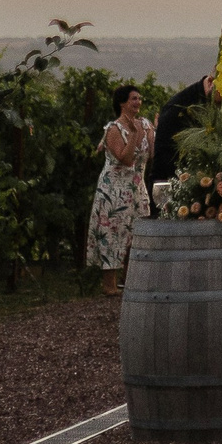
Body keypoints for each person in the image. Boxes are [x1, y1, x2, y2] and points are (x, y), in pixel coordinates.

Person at [86, 85, 154, 294]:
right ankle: (109, 285)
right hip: (114, 189)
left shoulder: (145, 124)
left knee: (137, 231)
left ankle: (130, 279)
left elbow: (150, 155)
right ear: (122, 102)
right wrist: (133, 134)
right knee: (113, 230)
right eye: (133, 99)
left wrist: (152, 133)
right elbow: (125, 159)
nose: (138, 102)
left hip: (136, 186)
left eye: (139, 99)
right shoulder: (113, 129)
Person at [149, 73, 215, 186]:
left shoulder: (207, 101)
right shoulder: (180, 106)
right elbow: (165, 156)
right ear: (210, 82)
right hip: (170, 182)